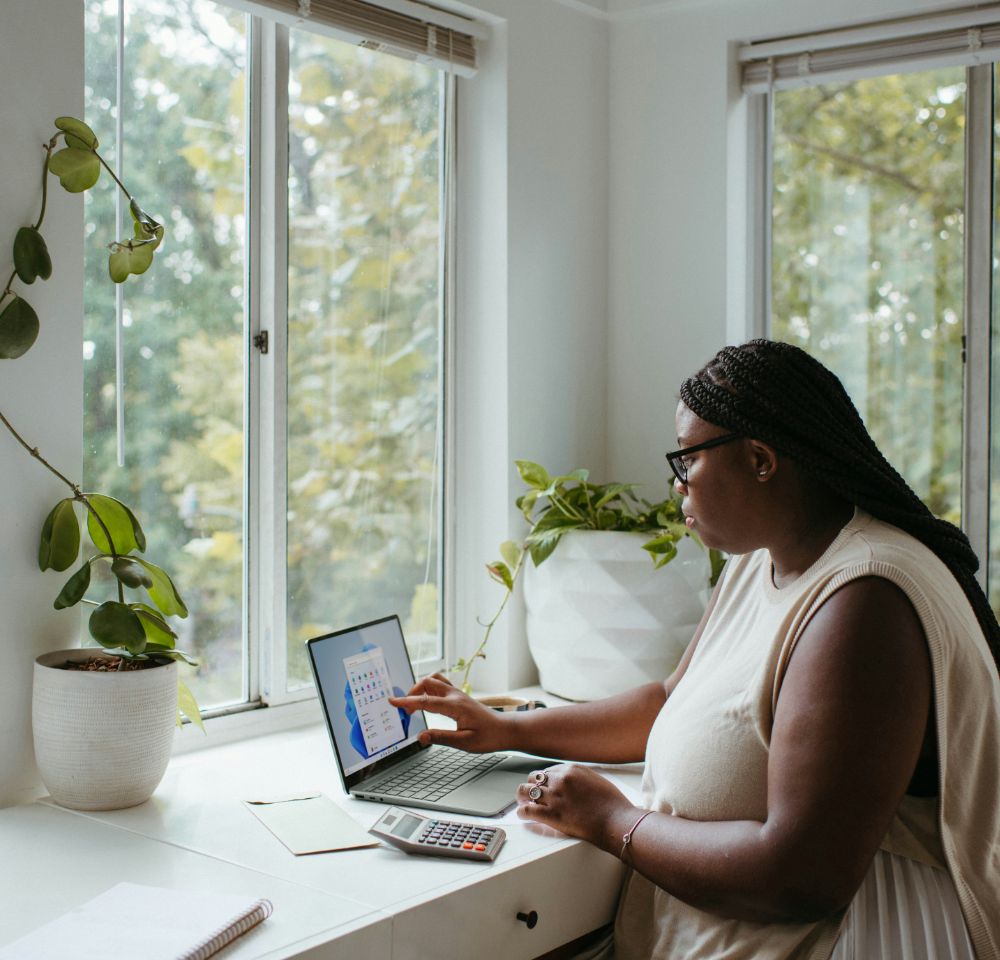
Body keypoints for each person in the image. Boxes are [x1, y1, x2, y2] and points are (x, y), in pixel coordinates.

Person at [390, 339, 1000, 960]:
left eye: (686, 459)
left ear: (760, 459)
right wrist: (507, 729)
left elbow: (800, 878)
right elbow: (667, 701)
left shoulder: (863, 603)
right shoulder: (762, 557)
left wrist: (611, 821)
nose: (674, 482)